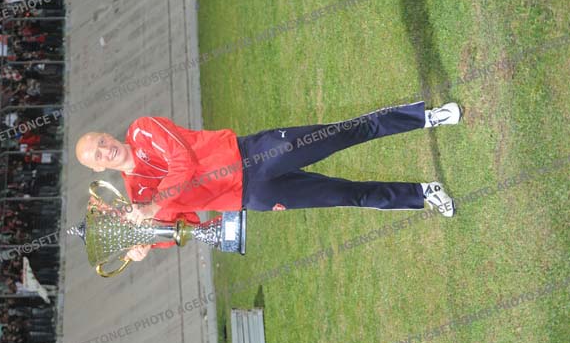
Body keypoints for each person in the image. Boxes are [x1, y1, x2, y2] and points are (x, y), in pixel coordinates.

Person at [74, 101, 461, 261]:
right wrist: (148, 241)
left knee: (342, 134)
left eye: (101, 142)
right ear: (96, 169)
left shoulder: (142, 130)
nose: (105, 150)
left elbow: (184, 162)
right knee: (343, 195)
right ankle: (423, 194)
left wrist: (154, 206)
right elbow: (187, 223)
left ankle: (426, 116)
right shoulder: (137, 195)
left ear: (107, 135)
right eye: (97, 155)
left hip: (254, 154)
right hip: (253, 196)